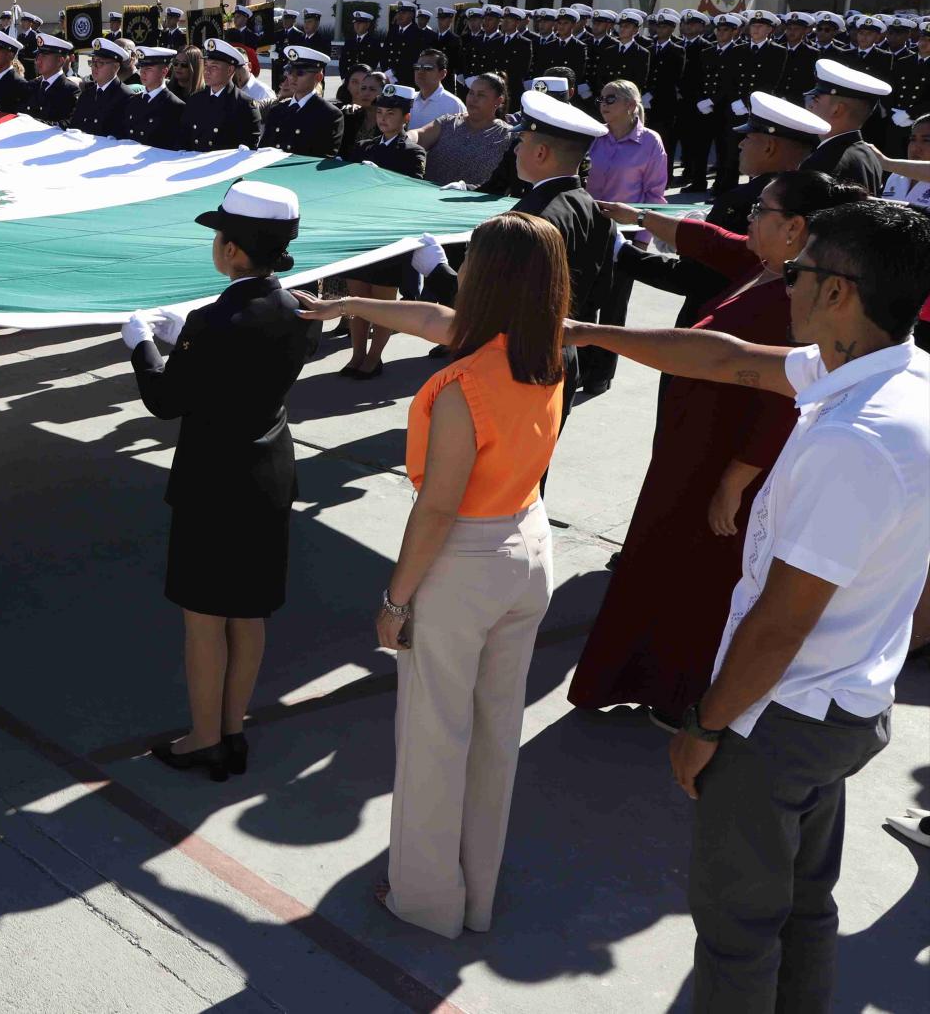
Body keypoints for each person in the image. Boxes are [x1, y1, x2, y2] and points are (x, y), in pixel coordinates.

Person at [565, 199, 930, 1013]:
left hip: (782, 719)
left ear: (840, 294)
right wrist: (590, 334)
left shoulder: (856, 438)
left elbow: (778, 624)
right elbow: (729, 360)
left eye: (798, 273)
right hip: (844, 700)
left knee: (737, 934)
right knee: (804, 908)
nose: (784, 284)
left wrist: (705, 727)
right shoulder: (891, 371)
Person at [295, 212, 572, 939]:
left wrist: (395, 598)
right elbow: (426, 314)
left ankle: (424, 900)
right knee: (492, 735)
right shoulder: (544, 353)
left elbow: (438, 508)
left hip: (467, 564)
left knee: (433, 738)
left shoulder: (461, 385)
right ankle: (476, 896)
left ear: (487, 279)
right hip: (531, 548)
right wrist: (347, 304)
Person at [574, 168, 867, 727]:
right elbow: (711, 241)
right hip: (692, 448)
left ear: (795, 228)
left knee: (697, 580)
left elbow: (783, 401)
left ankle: (678, 695)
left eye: (762, 210)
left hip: (724, 462)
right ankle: (637, 678)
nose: (749, 219)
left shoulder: (799, 300)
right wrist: (636, 216)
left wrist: (734, 481)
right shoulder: (767, 269)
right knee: (658, 562)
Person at [122, 181, 316, 782]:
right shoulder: (299, 310)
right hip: (268, 472)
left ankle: (204, 738)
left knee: (205, 617)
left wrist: (143, 347)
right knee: (249, 612)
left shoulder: (211, 321)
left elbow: (164, 398)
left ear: (232, 251)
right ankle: (232, 728)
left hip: (214, 480)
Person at [414, 91, 614, 403]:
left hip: (516, 368)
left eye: (520, 142)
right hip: (562, 358)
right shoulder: (593, 210)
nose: (515, 149)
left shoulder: (527, 221)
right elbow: (600, 295)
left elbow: (487, 311)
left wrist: (435, 270)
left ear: (541, 153)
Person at [578, 79, 672, 393]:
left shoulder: (650, 142)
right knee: (584, 300)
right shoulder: (594, 137)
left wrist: (643, 239)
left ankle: (601, 372)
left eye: (611, 99)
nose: (603, 104)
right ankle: (580, 364)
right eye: (602, 98)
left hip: (626, 236)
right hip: (589, 229)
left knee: (614, 306)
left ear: (631, 106)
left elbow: (654, 194)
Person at [339, 85, 430, 378]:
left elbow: (412, 190)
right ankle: (356, 355)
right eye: (380, 112)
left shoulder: (413, 151)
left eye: (391, 113)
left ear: (406, 117)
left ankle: (374, 357)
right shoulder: (365, 146)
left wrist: (378, 176)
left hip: (389, 236)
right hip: (361, 233)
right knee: (356, 300)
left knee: (382, 304)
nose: (383, 118)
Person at [799, 59, 888, 193]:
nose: (810, 105)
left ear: (837, 110)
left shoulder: (824, 161)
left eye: (815, 98)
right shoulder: (867, 154)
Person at [414, 74, 514, 189]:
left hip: (469, 204)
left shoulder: (507, 136)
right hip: (427, 196)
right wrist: (406, 136)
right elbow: (420, 135)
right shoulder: (448, 122)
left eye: (481, 95)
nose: (473, 99)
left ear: (498, 101)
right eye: (471, 92)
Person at [173, 40, 261, 152]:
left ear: (230, 70)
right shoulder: (195, 100)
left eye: (214, 67)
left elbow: (248, 149)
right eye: (206, 65)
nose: (207, 71)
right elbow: (182, 139)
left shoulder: (244, 105)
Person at [258, 46, 343, 156]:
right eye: (289, 71)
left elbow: (323, 158)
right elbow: (263, 150)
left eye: (300, 73)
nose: (292, 77)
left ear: (318, 77)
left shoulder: (329, 114)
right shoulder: (278, 110)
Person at [67, 38, 130, 135]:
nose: (94, 67)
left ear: (116, 67)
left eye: (100, 63)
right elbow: (74, 125)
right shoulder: (87, 95)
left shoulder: (126, 97)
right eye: (93, 62)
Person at [407, 50, 465, 127]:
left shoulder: (454, 105)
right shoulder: (407, 99)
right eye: (417, 67)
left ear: (442, 74)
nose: (420, 72)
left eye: (427, 68)